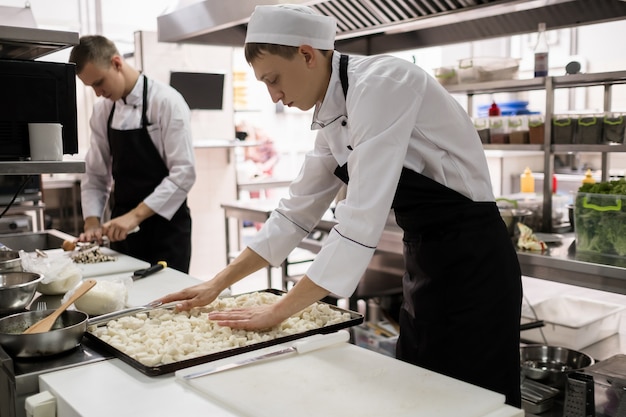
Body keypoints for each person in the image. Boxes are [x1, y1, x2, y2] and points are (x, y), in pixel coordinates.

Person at [158, 4, 522, 406]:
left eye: (274, 79)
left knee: (476, 403)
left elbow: (359, 220)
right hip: (425, 264)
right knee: (422, 396)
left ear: (308, 54)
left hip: (474, 264)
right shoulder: (334, 114)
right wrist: (216, 283)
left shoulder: (384, 83)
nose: (275, 96)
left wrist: (279, 311)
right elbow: (295, 212)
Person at [69, 35, 196, 273]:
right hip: (122, 232)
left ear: (117, 63)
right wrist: (92, 221)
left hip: (167, 232)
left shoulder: (167, 102)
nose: (97, 93)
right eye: (91, 87)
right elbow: (96, 175)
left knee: (166, 307)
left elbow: (184, 173)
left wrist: (135, 216)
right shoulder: (102, 112)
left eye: (99, 83)